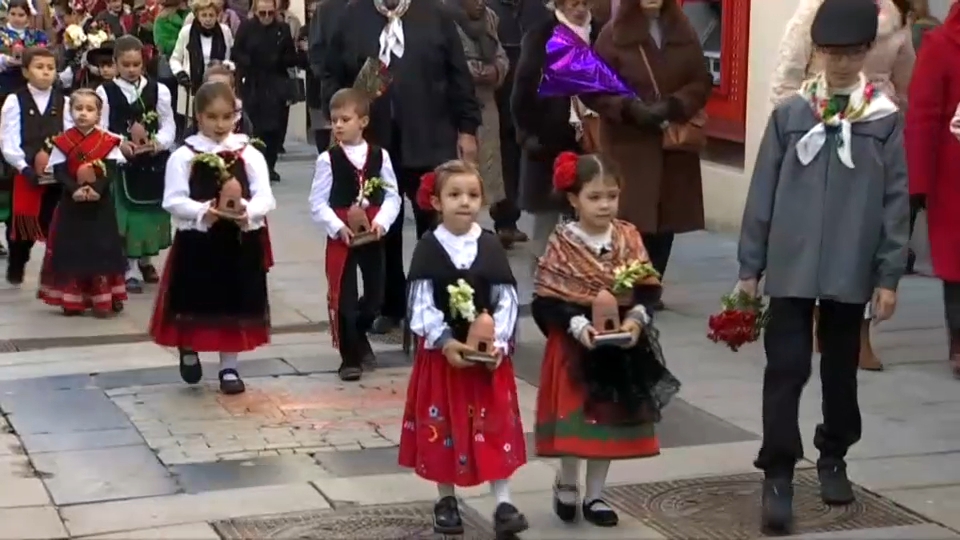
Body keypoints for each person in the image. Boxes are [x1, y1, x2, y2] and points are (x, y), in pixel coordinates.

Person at [738, 0, 909, 532]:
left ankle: (834, 456)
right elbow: (761, 193)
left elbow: (895, 202)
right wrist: (750, 268)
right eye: (831, 53)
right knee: (785, 369)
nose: (840, 63)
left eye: (851, 53)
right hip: (791, 268)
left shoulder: (882, 120)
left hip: (850, 268)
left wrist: (888, 275)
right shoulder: (791, 116)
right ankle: (779, 472)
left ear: (866, 54)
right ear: (816, 53)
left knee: (840, 371)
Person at [532, 152, 679, 528]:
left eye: (611, 196)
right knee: (575, 418)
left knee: (609, 419)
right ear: (573, 199)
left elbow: (646, 287)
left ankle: (596, 494)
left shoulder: (628, 236)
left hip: (620, 344)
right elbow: (546, 299)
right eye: (595, 197)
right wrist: (577, 324)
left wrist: (636, 321)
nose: (604, 205)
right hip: (574, 344)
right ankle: (568, 480)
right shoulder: (563, 242)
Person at [321, 0, 482, 335]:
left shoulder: (434, 15)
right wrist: (338, 118)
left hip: (430, 137)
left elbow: (458, 76)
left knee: (433, 223)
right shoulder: (353, 16)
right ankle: (390, 303)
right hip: (375, 144)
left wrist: (467, 128)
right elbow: (330, 72)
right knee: (383, 228)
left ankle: (435, 300)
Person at [770, 0, 915, 372]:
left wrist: (893, 111)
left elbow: (905, 71)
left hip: (872, 116)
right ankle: (813, 312)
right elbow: (789, 69)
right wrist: (794, 124)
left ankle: (855, 330)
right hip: (815, 114)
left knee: (856, 236)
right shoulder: (815, 11)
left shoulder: (894, 13)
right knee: (817, 228)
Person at [398, 159, 527, 538]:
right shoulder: (428, 248)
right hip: (445, 361)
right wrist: (445, 341)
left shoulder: (488, 245)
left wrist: (498, 341)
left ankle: (503, 503)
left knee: (494, 427)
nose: (464, 202)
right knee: (444, 428)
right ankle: (446, 499)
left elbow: (506, 297)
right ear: (436, 202)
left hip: (487, 361)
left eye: (472, 195)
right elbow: (420, 304)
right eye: (454, 195)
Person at [579, 0, 712, 310]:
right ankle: (629, 285)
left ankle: (652, 285)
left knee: (666, 221)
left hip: (671, 143)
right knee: (632, 220)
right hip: (630, 143)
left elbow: (701, 80)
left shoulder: (683, 31)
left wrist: (676, 104)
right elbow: (593, 88)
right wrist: (628, 108)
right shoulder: (613, 35)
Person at [149, 81, 275, 395]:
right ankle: (188, 346)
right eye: (212, 117)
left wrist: (247, 210)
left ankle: (228, 367)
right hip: (199, 242)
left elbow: (265, 196)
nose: (220, 124)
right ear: (198, 116)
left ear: (236, 115)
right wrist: (204, 210)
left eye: (226, 117)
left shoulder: (249, 153)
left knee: (233, 305)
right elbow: (173, 199)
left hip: (238, 242)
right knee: (194, 300)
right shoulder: (185, 155)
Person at [308, 88, 401, 381]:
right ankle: (349, 356)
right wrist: (337, 227)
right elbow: (317, 201)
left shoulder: (379, 155)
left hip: (372, 232)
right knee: (344, 296)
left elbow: (392, 196)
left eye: (345, 119)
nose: (337, 125)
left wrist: (382, 223)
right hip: (342, 234)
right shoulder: (328, 160)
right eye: (334, 120)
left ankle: (360, 329)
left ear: (363, 121)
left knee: (375, 294)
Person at [512, 0, 599, 266]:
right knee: (546, 222)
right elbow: (522, 92)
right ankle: (544, 279)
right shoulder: (541, 35)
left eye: (584, 2)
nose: (580, 9)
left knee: (588, 214)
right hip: (548, 140)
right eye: (574, 2)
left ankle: (582, 277)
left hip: (590, 140)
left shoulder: (600, 34)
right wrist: (528, 137)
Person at [96, 35, 176, 292]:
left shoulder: (158, 90)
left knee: (151, 216)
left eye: (136, 64)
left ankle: (145, 260)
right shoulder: (104, 92)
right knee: (128, 217)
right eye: (126, 64)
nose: (131, 70)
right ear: (116, 64)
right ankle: (128, 266)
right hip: (123, 164)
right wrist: (119, 143)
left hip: (152, 162)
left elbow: (169, 124)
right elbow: (101, 128)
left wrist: (157, 143)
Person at [37, 88, 127, 316]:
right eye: (78, 108)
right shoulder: (63, 141)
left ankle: (104, 298)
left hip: (100, 204)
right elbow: (59, 171)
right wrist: (76, 189)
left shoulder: (108, 141)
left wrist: (96, 189)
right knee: (73, 249)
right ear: (70, 111)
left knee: (101, 248)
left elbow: (111, 170)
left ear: (98, 114)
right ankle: (73, 299)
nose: (83, 114)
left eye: (89, 109)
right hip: (71, 204)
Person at [906, 0, 960, 379]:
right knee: (957, 267)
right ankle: (959, 340)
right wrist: (919, 183)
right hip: (954, 176)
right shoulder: (941, 45)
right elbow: (923, 116)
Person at [0, 47, 71, 284]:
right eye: (39, 67)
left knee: (53, 223)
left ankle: (55, 275)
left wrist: (61, 164)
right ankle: (17, 262)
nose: (45, 73)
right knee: (21, 226)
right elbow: (8, 140)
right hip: (25, 173)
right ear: (26, 71)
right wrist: (24, 167)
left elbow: (70, 136)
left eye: (50, 68)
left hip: (55, 174)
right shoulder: (15, 100)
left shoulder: (65, 101)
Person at [485, 0, 547, 247]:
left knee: (527, 156)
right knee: (504, 157)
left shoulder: (537, 8)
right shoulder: (490, 8)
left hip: (533, 94)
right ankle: (505, 220)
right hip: (500, 94)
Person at [448, 0, 508, 209]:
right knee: (459, 173)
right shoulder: (445, 17)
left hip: (487, 103)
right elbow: (448, 60)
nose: (480, 2)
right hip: (459, 106)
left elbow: (500, 54)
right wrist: (474, 71)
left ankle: (481, 223)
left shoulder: (490, 18)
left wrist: (497, 70)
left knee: (487, 173)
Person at [231, 0, 297, 182]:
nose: (266, 17)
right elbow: (236, 52)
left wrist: (282, 59)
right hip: (253, 82)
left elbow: (291, 56)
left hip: (275, 82)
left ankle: (270, 165)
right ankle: (257, 166)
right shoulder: (246, 28)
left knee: (275, 128)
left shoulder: (282, 28)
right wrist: (249, 61)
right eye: (262, 13)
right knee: (256, 126)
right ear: (256, 12)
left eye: (270, 13)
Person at [169, 0, 233, 95]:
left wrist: (227, 65)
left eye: (211, 15)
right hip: (190, 87)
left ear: (217, 16)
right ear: (197, 16)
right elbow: (175, 59)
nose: (208, 19)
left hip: (218, 85)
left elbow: (230, 58)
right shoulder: (186, 32)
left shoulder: (225, 31)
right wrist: (180, 73)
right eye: (204, 15)